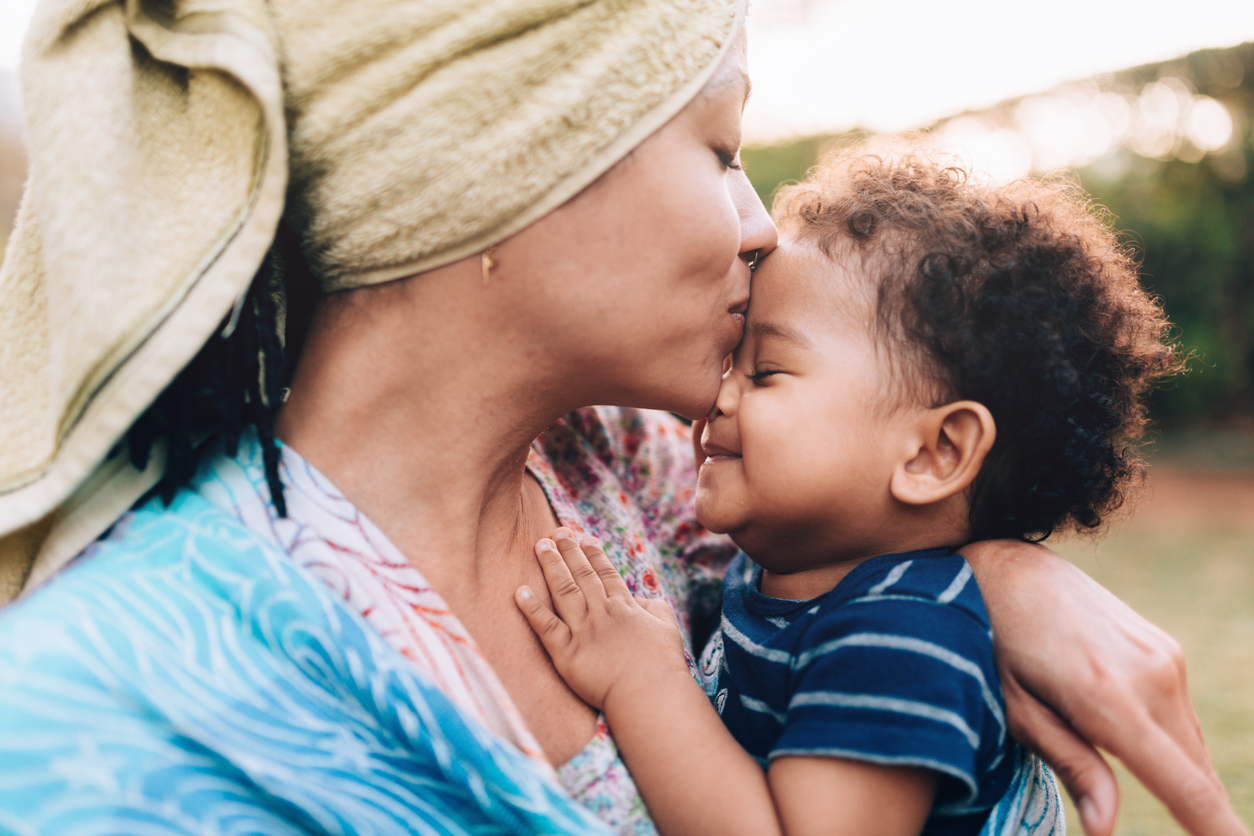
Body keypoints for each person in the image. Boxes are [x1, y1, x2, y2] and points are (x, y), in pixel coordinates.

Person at [0, 0, 1243, 833]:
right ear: (510, 161)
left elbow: (859, 534)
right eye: (718, 150)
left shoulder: (625, 466)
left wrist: (993, 566)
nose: (759, 226)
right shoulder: (109, 720)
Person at [513, 147, 1190, 836]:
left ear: (934, 453)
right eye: (730, 364)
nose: (716, 397)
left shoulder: (901, 637)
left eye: (767, 370)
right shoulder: (783, 574)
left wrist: (643, 681)